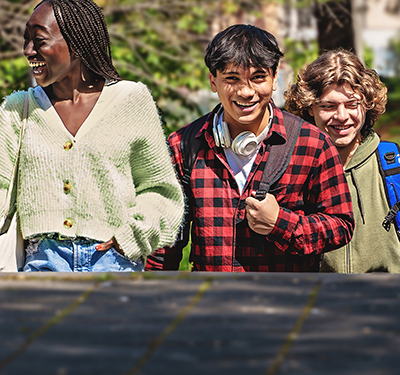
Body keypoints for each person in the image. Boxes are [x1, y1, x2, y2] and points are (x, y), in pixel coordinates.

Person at [0, 0, 183, 272]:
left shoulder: (131, 100)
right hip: (43, 262)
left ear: (76, 44)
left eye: (39, 41)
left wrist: (133, 235)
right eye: (26, 40)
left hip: (114, 262)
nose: (28, 50)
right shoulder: (18, 109)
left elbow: (159, 191)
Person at [145, 25, 353, 272]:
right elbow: (163, 244)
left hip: (286, 302)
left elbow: (341, 226)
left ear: (275, 79)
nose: (246, 92)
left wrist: (281, 224)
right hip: (210, 300)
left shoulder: (312, 144)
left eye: (258, 77)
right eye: (232, 79)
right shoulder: (182, 146)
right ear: (213, 81)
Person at [284, 49, 400, 273]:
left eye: (352, 104)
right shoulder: (292, 168)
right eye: (328, 106)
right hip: (319, 302)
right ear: (309, 107)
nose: (342, 116)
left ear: (367, 104)